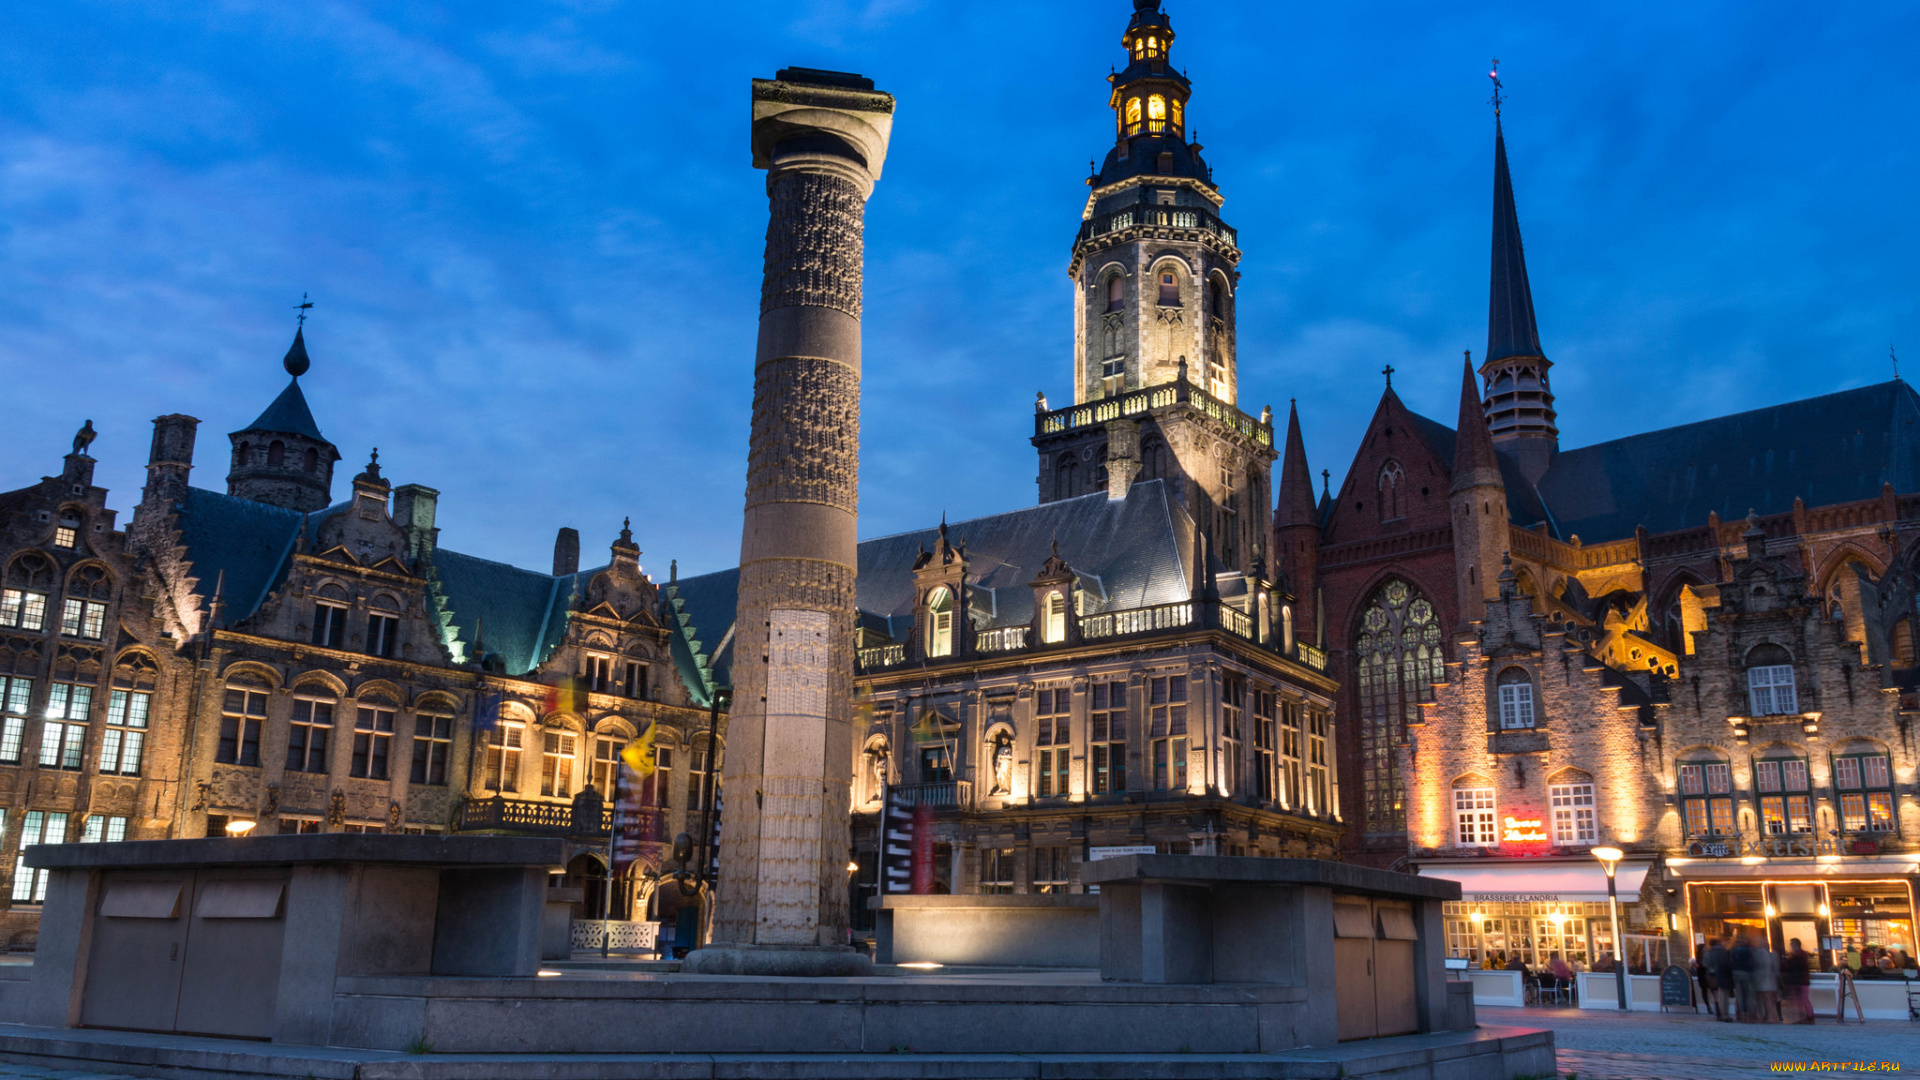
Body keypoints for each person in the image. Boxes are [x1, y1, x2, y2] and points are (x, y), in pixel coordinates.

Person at [1781, 938, 1813, 1024]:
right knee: (1802, 999)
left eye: (1791, 944)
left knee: (1802, 999)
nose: (1790, 946)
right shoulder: (1802, 955)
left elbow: (1792, 966)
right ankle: (1807, 1017)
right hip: (1802, 980)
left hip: (1799, 980)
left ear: (1795, 945)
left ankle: (1806, 1017)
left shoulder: (1798, 955)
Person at [1705, 938, 1734, 1021]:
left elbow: (1705, 963)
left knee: (1717, 996)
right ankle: (1725, 1014)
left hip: (1712, 975)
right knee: (1724, 995)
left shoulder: (1708, 953)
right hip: (1723, 974)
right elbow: (1727, 964)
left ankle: (1719, 1014)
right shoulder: (1724, 951)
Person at [1753, 936, 1780, 1023]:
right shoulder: (1772, 954)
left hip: (1763, 980)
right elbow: (1775, 968)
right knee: (1769, 999)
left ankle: (1768, 1016)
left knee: (1765, 999)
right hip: (1769, 980)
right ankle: (1772, 1016)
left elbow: (1762, 966)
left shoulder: (1760, 953)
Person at [1730, 933, 1757, 1021]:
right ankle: (1749, 1013)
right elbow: (1752, 961)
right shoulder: (1748, 950)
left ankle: (1741, 1014)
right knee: (1748, 994)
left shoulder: (1733, 950)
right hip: (1746, 973)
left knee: (1739, 994)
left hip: (1736, 973)